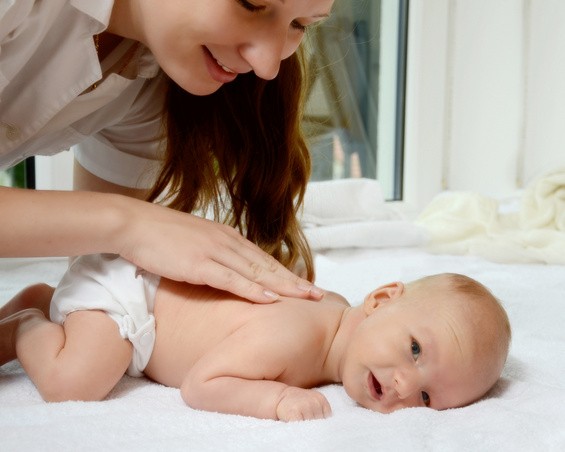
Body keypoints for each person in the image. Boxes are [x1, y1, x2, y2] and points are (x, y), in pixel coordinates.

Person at [0, 0, 336, 306]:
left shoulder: (151, 89)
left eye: (300, 25)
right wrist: (131, 225)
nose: (267, 66)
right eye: (251, 4)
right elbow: (118, 237)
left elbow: (96, 276)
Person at [0, 254, 511, 421]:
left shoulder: (334, 315)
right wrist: (276, 399)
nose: (403, 384)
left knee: (90, 353)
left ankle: (48, 301)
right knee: (77, 381)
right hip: (129, 293)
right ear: (379, 300)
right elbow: (201, 384)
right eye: (416, 349)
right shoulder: (295, 336)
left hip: (136, 288)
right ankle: (28, 325)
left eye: (427, 397)